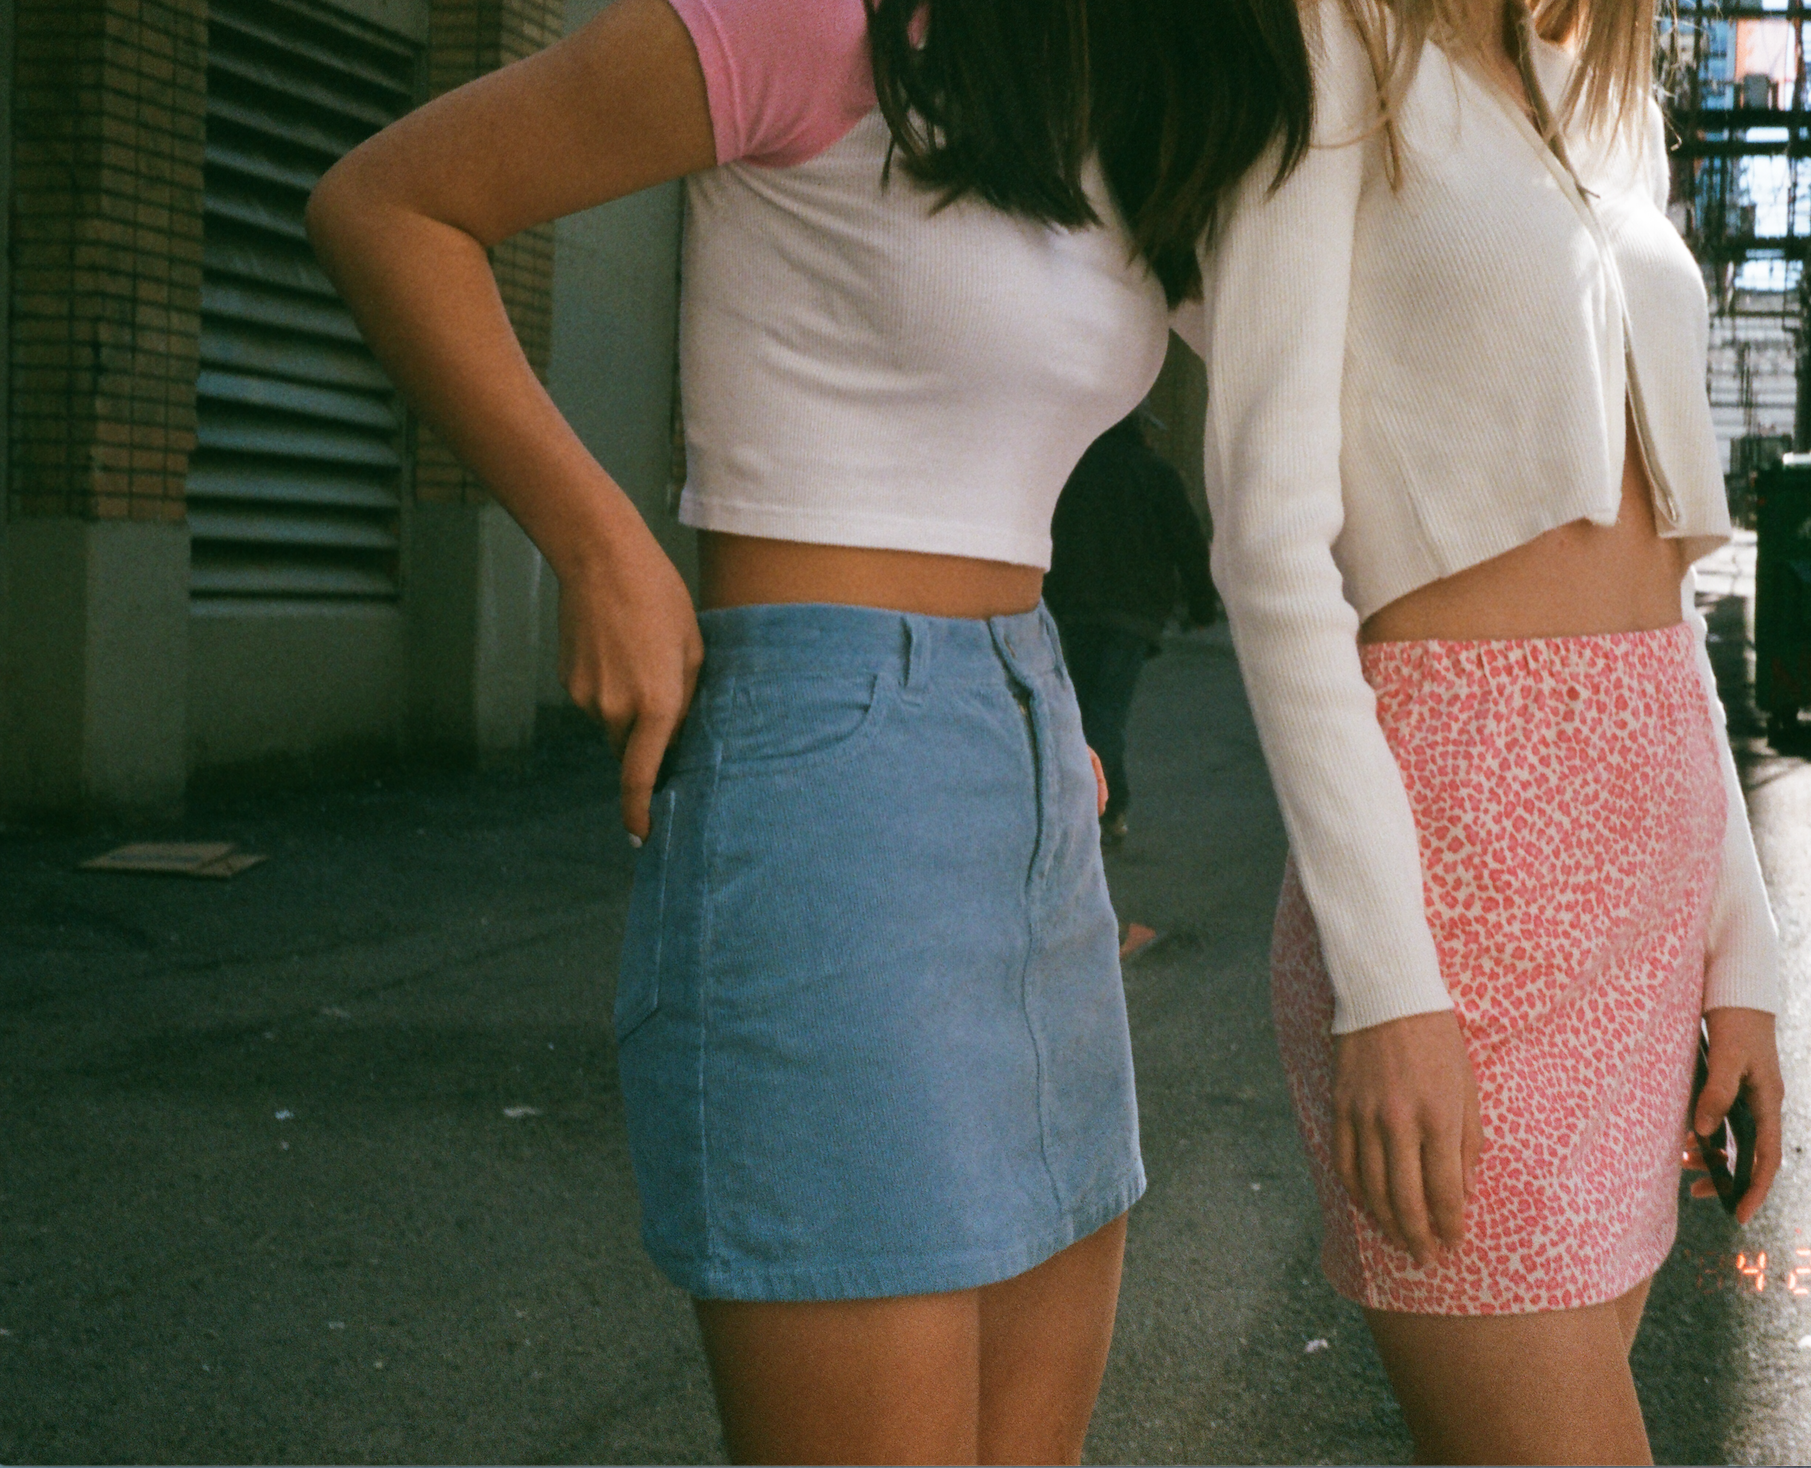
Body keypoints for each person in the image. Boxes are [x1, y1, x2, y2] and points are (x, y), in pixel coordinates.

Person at [304, 1, 1312, 1460]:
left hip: (1027, 756)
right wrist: (601, 551)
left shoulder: (1138, 73)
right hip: (832, 768)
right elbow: (388, 204)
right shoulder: (816, 20)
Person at [1199, 0, 1789, 1461]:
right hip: (1457, 884)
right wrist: (1384, 986)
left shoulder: (1598, 92)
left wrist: (1745, 947)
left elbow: (1663, 598)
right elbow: (1270, 545)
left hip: (1645, 893)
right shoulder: (1332, 43)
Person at [1043, 413, 1222, 843]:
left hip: (1076, 607)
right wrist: (1201, 606)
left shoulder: (1073, 471)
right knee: (1107, 710)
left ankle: (1083, 804)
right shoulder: (1156, 474)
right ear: (1141, 429)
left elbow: (1050, 531)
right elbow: (1188, 541)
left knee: (1086, 705)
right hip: (1133, 613)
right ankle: (1107, 807)